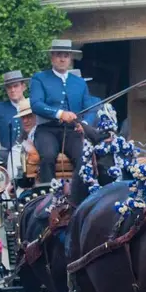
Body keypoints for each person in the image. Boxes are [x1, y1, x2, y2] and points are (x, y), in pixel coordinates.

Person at [29, 39, 101, 186]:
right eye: (58, 55)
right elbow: (36, 104)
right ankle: (48, 193)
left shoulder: (79, 82)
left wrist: (84, 124)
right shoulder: (39, 78)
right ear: (52, 57)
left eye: (66, 55)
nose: (62, 59)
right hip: (47, 129)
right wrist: (59, 113)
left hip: (73, 130)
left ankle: (78, 191)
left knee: (83, 156)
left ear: (70, 58)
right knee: (48, 156)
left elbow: (90, 108)